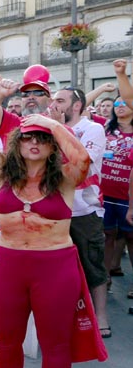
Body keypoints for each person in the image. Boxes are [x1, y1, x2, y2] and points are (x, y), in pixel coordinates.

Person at [0, 78, 91, 368]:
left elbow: (83, 157)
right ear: (16, 143)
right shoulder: (2, 173)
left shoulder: (66, 179)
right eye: (27, 137)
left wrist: (51, 122)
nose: (34, 143)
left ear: (53, 144)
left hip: (54, 267)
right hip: (9, 264)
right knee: (6, 337)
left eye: (42, 139)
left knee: (55, 343)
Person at [50, 87, 110, 339]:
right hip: (56, 209)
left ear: (76, 106)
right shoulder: (51, 127)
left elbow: (81, 160)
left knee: (92, 263)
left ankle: (101, 317)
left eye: (61, 101)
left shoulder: (92, 128)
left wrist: (58, 129)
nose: (55, 104)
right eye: (54, 100)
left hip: (85, 209)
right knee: (58, 270)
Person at [104, 97, 133, 298]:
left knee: (131, 238)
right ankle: (105, 280)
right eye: (116, 104)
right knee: (107, 236)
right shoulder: (104, 127)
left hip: (128, 197)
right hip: (104, 194)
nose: (119, 106)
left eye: (124, 102)